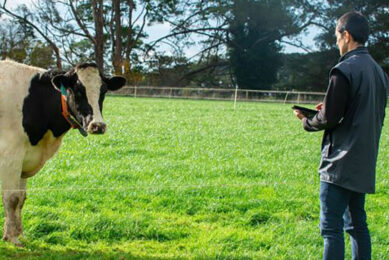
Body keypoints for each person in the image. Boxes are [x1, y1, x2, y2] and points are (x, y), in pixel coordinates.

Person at [293, 11, 388, 260]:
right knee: (358, 227)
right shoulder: (380, 74)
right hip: (363, 162)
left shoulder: (344, 69)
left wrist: (307, 121)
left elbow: (329, 118)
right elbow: (359, 110)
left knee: (331, 230)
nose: (336, 42)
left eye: (336, 36)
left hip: (338, 164)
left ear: (346, 35)